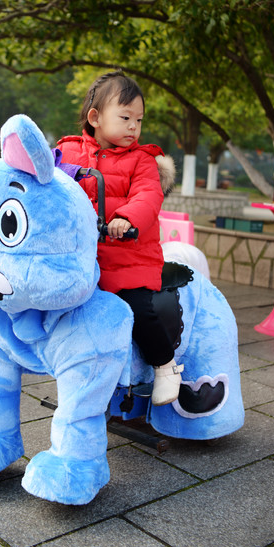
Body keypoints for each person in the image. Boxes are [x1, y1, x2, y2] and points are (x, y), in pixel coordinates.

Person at [56, 70, 183, 406]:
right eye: (125, 117)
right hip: (81, 257)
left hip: (127, 257)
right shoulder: (67, 153)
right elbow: (50, 187)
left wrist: (125, 219)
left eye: (138, 120)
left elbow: (147, 195)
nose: (133, 128)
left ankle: (165, 365)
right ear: (95, 118)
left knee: (139, 308)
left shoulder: (141, 160)